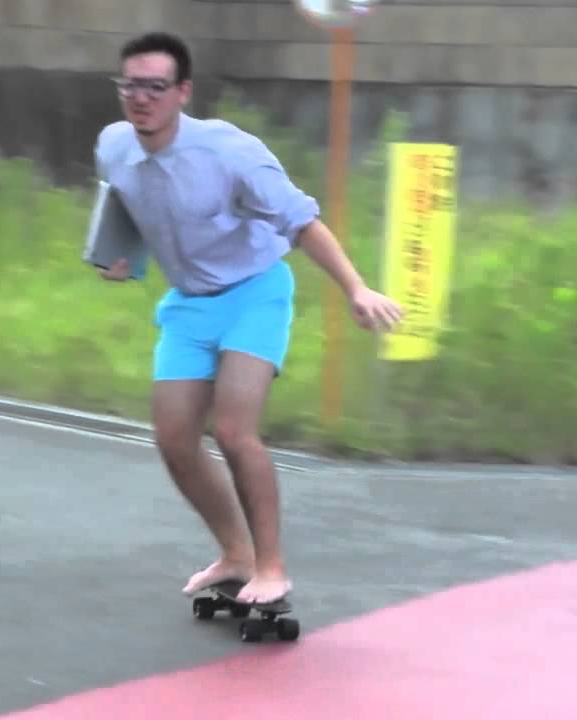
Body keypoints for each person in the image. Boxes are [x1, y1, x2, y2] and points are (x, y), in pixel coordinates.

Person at [93, 32, 403, 605]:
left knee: (234, 431)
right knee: (174, 439)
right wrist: (122, 260)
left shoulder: (229, 152)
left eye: (155, 86)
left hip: (253, 292)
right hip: (189, 303)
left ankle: (272, 567)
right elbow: (128, 200)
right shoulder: (114, 145)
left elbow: (302, 222)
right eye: (130, 85)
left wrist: (356, 288)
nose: (140, 98)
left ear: (183, 92)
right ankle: (236, 554)